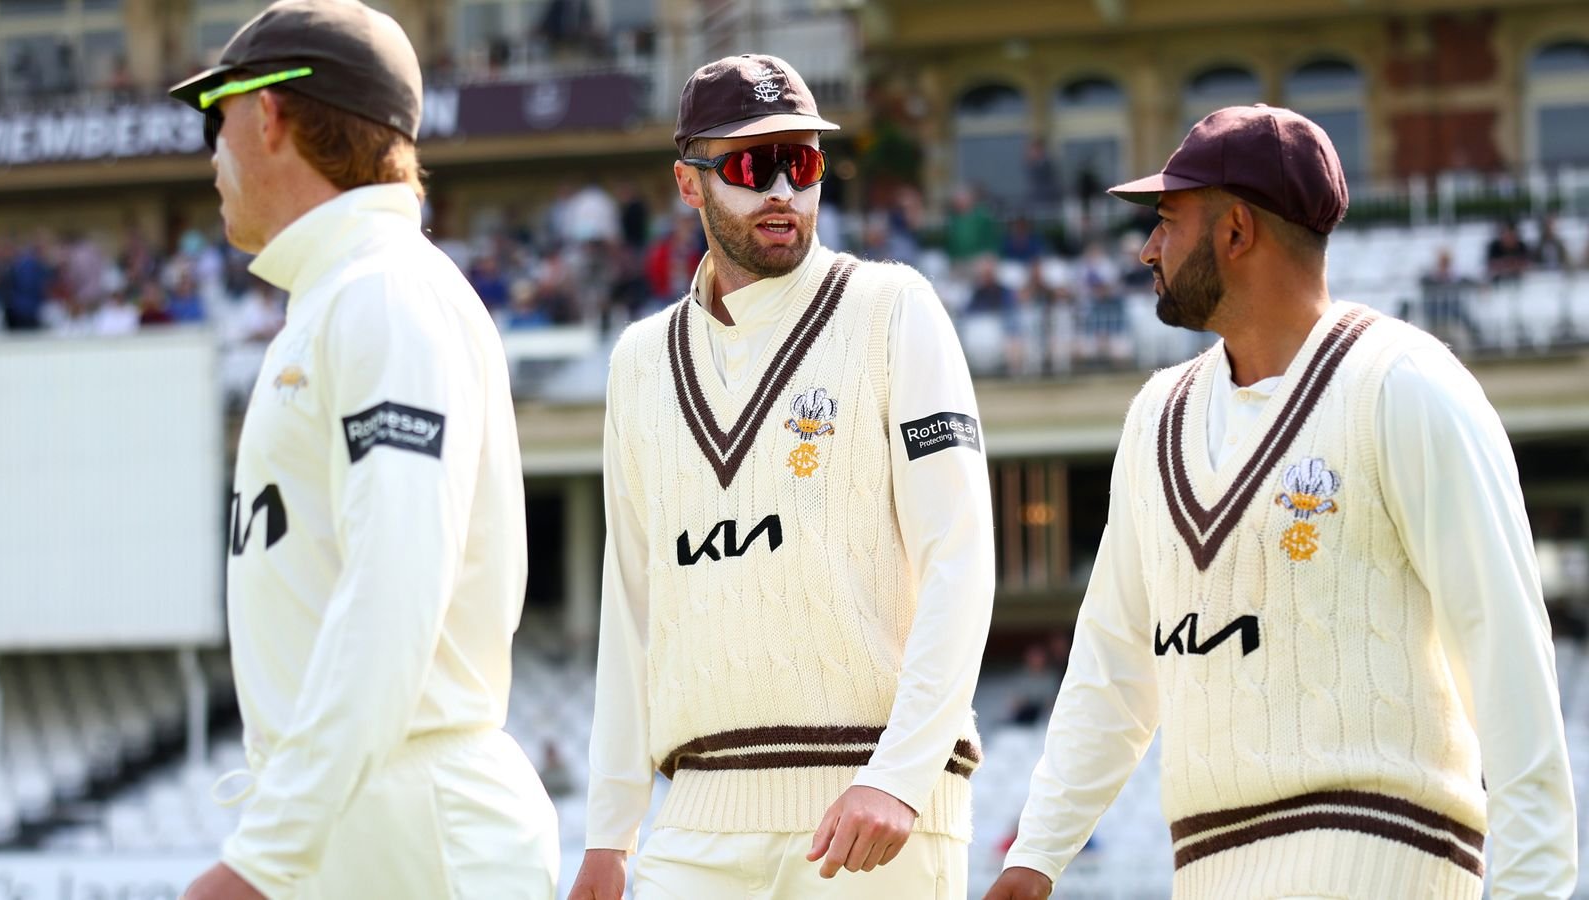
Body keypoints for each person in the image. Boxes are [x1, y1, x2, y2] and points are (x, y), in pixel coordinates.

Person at [986, 105, 1577, 900]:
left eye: (1167, 221)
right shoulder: (1156, 415)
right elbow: (1114, 660)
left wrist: (1535, 889)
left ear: (1236, 230)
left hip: (1381, 860)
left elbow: (1505, 649)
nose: (1147, 247)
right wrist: (1037, 852)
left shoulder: (1405, 385)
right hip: (1208, 868)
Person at [568, 53, 995, 900]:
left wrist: (902, 774)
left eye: (800, 163)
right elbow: (631, 602)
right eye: (749, 166)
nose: (781, 191)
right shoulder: (639, 361)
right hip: (696, 817)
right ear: (688, 184)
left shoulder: (893, 307)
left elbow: (961, 555)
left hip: (872, 806)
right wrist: (609, 832)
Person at [167, 1, 559, 897]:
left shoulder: (384, 294)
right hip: (373, 828)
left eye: (214, 118)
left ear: (269, 114)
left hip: (415, 833)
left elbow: (394, 583)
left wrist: (266, 855)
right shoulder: (346, 296)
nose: (212, 153)